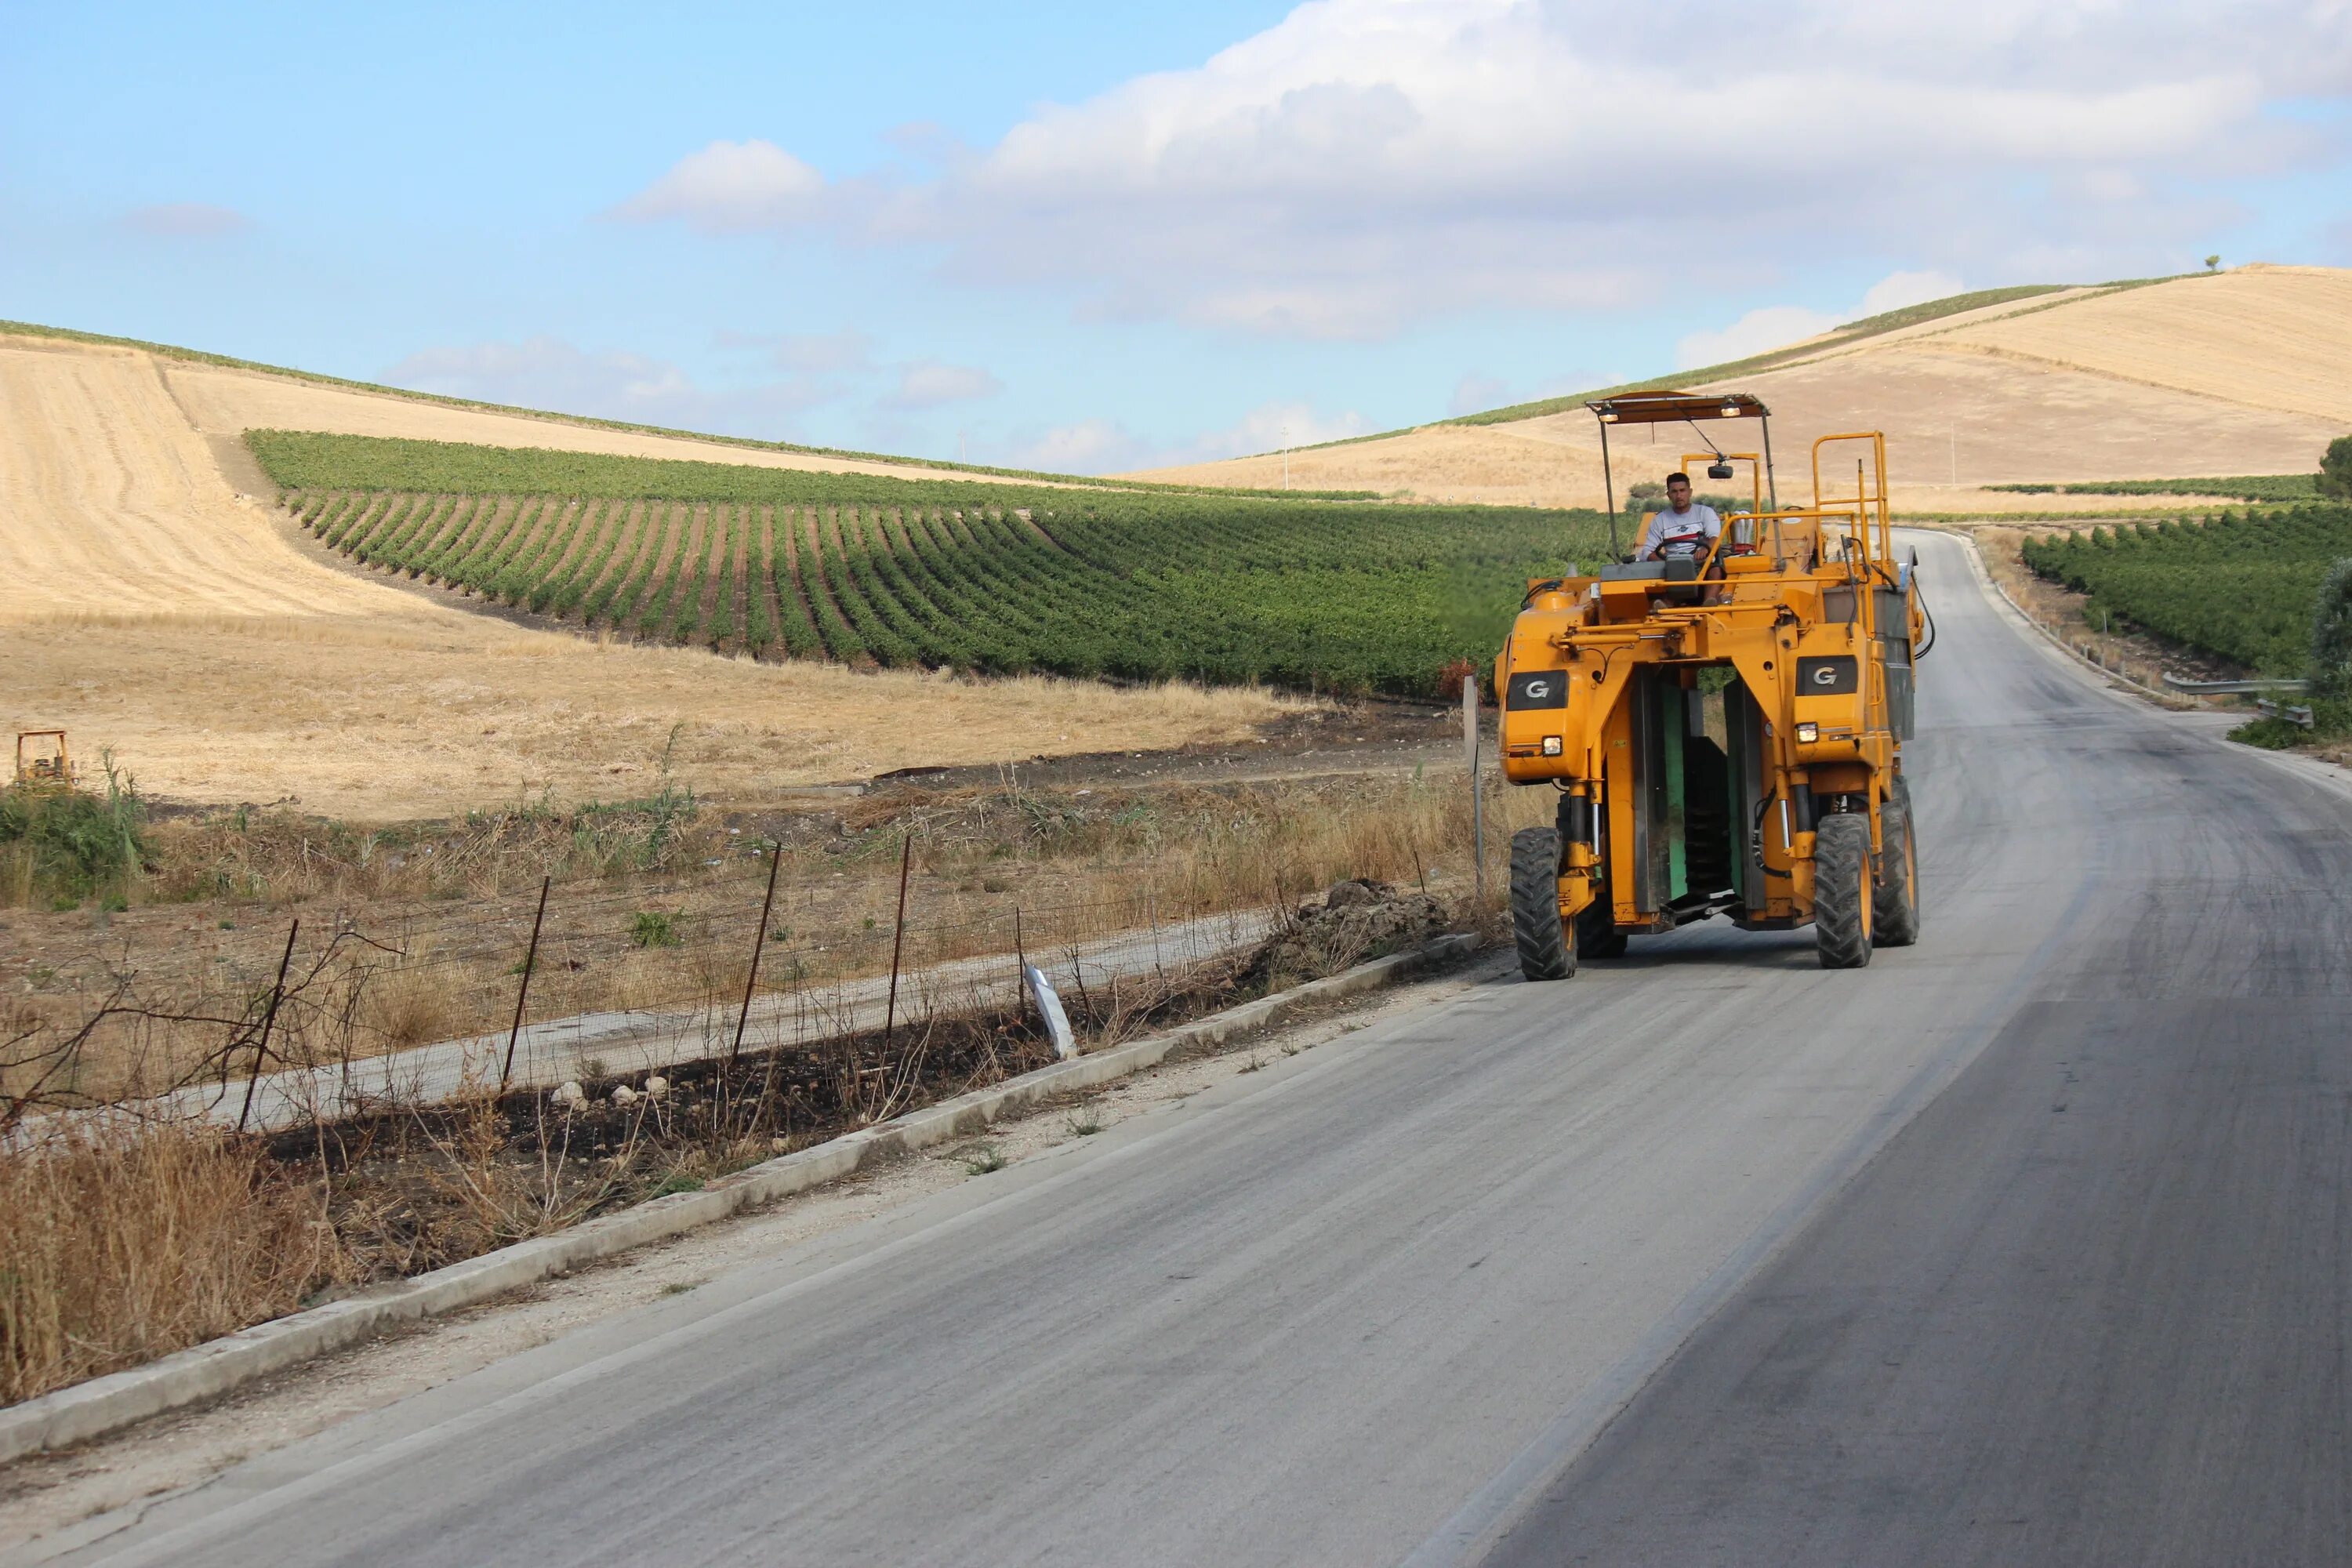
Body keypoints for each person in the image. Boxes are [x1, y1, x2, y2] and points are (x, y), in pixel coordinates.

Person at [1634, 473, 1722, 562]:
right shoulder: (1659, 520)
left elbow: (1715, 538)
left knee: (1716, 571)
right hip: (1672, 566)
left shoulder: (1705, 513)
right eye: (1674, 492)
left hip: (1702, 563)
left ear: (1690, 492)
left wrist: (1706, 550)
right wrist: (1664, 564)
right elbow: (1647, 551)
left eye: (1682, 490)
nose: (1679, 496)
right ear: (1668, 495)